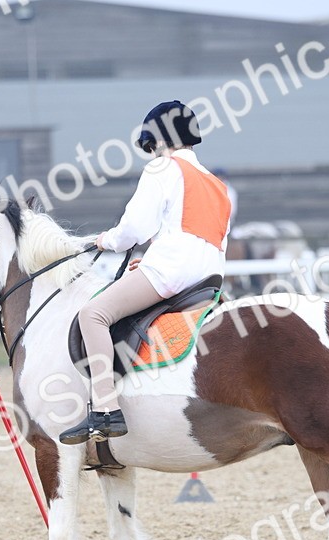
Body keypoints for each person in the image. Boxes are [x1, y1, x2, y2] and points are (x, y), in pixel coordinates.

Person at [60, 100, 232, 445]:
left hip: (172, 273)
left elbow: (133, 229)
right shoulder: (217, 184)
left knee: (92, 314)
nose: (152, 153)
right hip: (208, 277)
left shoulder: (162, 169)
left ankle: (105, 408)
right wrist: (152, 261)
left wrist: (104, 240)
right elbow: (196, 235)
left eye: (151, 146)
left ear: (158, 139)